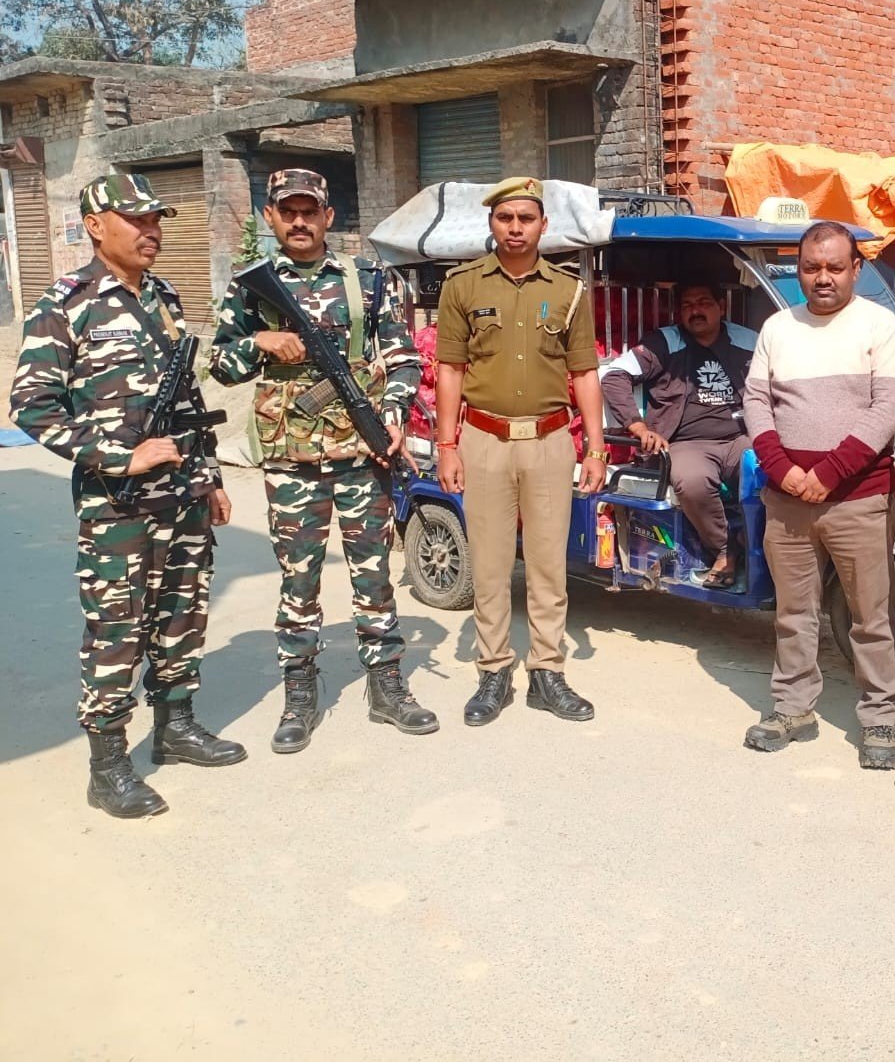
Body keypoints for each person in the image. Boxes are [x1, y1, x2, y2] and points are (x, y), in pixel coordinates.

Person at [11, 173, 243, 817]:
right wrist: (121, 457)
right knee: (117, 629)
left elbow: (187, 399)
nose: (151, 231)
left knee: (183, 613)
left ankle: (176, 725)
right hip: (117, 505)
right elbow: (31, 405)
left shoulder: (163, 296)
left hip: (183, 494)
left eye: (155, 220)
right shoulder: (67, 304)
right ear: (95, 226)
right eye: (136, 220)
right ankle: (108, 765)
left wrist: (210, 476)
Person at [211, 168, 437, 752]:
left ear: (328, 216)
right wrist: (258, 342)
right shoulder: (250, 287)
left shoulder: (368, 279)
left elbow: (403, 357)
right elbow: (220, 364)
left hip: (362, 453)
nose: (299, 221)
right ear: (270, 217)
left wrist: (392, 415)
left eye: (309, 210)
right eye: (287, 211)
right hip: (291, 458)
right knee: (298, 579)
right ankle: (299, 691)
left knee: (373, 574)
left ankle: (386, 685)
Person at [433, 176, 607, 727]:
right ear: (492, 223)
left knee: (548, 564)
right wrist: (446, 445)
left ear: (542, 225)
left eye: (526, 219)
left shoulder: (569, 290)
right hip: (483, 440)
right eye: (505, 218)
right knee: (488, 564)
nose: (515, 228)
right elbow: (449, 370)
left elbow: (585, 372)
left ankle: (547, 672)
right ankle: (493, 671)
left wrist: (596, 448)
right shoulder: (463, 286)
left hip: (551, 442)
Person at [741, 221, 895, 768]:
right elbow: (755, 402)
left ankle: (880, 718)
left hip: (858, 498)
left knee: (871, 615)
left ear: (856, 269)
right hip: (787, 497)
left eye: (835, 267)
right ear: (797, 269)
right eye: (811, 267)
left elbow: (886, 410)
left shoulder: (879, 326)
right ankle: (793, 709)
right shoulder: (777, 327)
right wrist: (781, 468)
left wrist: (830, 473)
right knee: (794, 612)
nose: (823, 278)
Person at [600, 283, 757, 587]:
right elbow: (614, 377)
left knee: (769, 471)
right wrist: (638, 427)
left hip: (740, 437)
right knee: (692, 481)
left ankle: (756, 544)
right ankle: (724, 550)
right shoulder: (665, 342)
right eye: (687, 305)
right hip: (685, 442)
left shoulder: (747, 340)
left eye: (704, 302)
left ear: (721, 307)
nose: (695, 311)